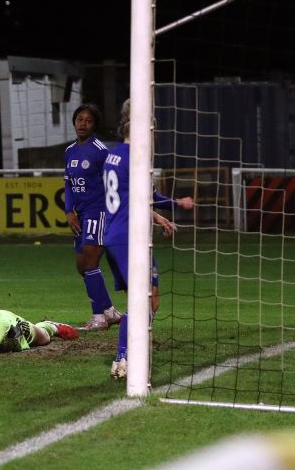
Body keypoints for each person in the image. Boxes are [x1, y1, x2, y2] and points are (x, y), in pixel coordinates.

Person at [103, 99, 184, 379]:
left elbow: (130, 198)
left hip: (117, 235)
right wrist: (178, 203)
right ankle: (123, 358)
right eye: (149, 127)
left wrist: (157, 217)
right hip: (128, 238)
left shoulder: (114, 155)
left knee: (151, 301)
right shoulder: (135, 156)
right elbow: (149, 196)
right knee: (143, 302)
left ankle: (128, 354)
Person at [63, 103, 121, 331]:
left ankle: (98, 317)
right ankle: (109, 311)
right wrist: (69, 211)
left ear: (94, 125)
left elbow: (113, 182)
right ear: (75, 122)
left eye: (88, 120)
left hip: (98, 212)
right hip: (80, 214)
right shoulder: (69, 152)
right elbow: (68, 184)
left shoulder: (100, 150)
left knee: (90, 262)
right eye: (80, 119)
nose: (83, 124)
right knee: (81, 266)